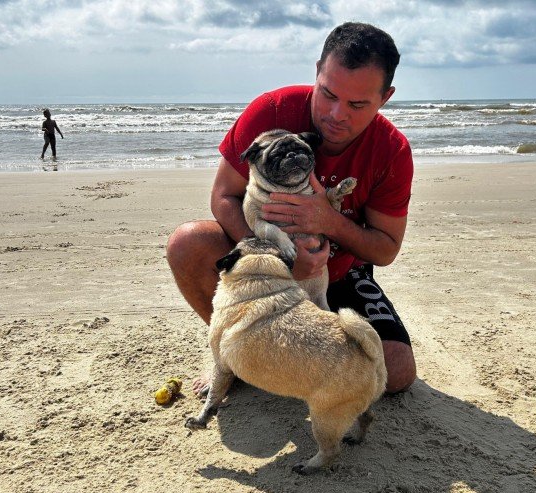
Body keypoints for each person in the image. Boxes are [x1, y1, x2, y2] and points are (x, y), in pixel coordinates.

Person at [166, 22, 417, 395]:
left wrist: (327, 220)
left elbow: (385, 249)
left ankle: (293, 362)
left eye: (357, 104)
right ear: (317, 71)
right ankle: (236, 356)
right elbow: (223, 197)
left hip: (338, 274)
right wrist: (277, 260)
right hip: (261, 258)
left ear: (385, 97)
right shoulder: (272, 112)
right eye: (328, 93)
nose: (336, 114)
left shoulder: (391, 151)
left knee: (395, 373)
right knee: (187, 243)